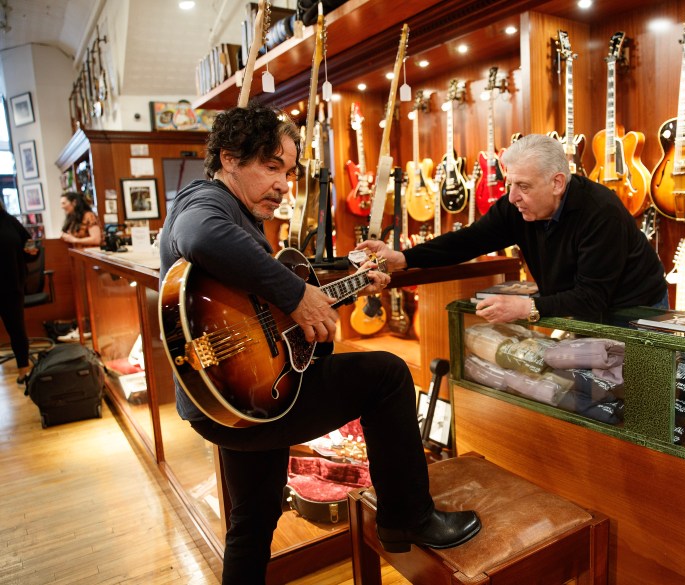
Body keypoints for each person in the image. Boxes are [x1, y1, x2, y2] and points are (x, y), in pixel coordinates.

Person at [158, 104, 480, 584]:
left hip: (234, 398)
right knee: (389, 376)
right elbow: (199, 236)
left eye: (287, 171)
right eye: (270, 167)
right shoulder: (204, 203)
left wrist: (348, 282)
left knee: (254, 519)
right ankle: (406, 517)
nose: (285, 184)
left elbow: (268, 295)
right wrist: (296, 294)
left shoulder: (235, 210)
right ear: (228, 159)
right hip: (234, 390)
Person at [357, 133, 668, 324]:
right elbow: (469, 240)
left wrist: (527, 306)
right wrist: (404, 258)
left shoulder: (601, 212)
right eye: (509, 184)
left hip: (636, 310)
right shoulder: (516, 205)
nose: (513, 197)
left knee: (636, 403)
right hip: (582, 309)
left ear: (557, 182)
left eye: (523, 186)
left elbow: (591, 298)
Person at [0, 198, 39, 383]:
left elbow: (29, 245)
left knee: (16, 329)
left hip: (11, 284)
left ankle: (24, 369)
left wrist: (32, 251)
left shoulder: (9, 221)